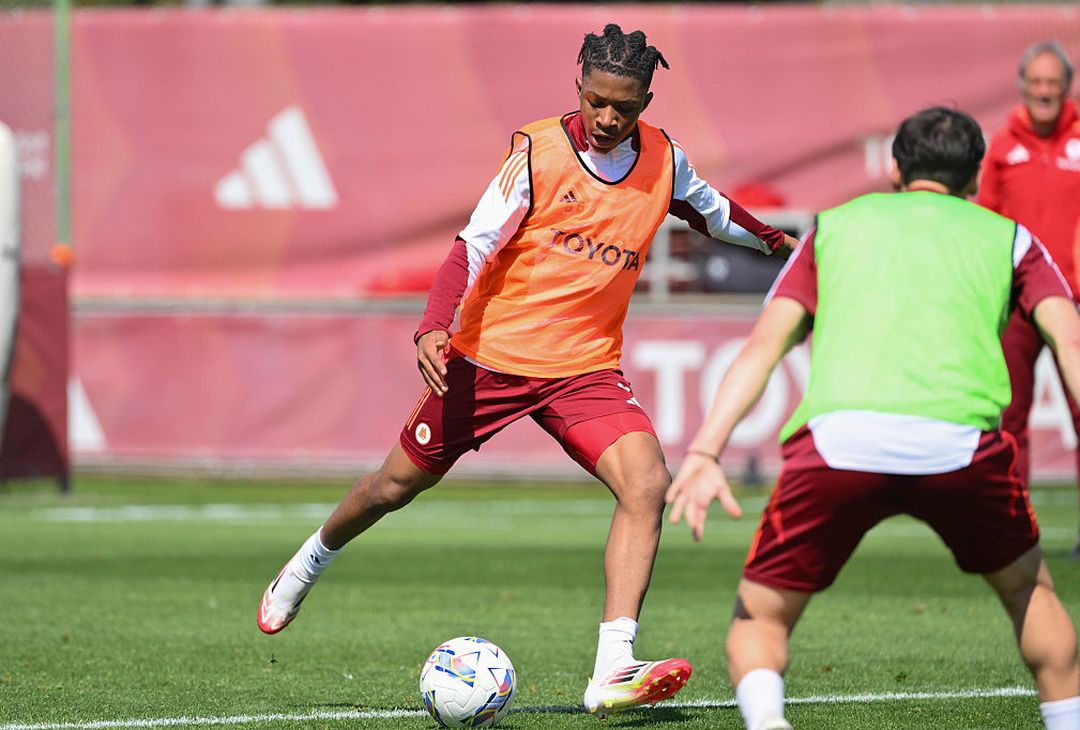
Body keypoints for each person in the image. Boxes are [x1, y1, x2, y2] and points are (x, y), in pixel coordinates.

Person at [257, 23, 797, 717]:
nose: (607, 118)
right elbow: (472, 244)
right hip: (489, 359)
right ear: (579, 85)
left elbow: (717, 215)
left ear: (647, 101)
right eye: (597, 100)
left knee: (647, 481)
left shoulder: (664, 160)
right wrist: (434, 325)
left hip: (584, 370)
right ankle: (310, 560)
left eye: (624, 107)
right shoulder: (537, 151)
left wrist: (786, 245)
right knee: (390, 488)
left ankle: (612, 666)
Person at [666, 107, 1080, 730]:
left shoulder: (832, 228)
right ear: (974, 178)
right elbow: (1071, 344)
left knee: (762, 619)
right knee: (1030, 592)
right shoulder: (1011, 238)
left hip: (840, 445)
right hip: (962, 447)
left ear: (893, 165)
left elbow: (763, 347)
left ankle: (767, 722)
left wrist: (703, 453)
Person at [978, 40, 1080, 559]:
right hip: (1017, 300)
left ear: (1067, 88)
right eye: (1036, 82)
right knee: (1009, 418)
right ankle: (1018, 530)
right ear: (1024, 86)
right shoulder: (1002, 143)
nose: (1044, 92)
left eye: (1052, 83)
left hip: (1073, 304)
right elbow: (986, 219)